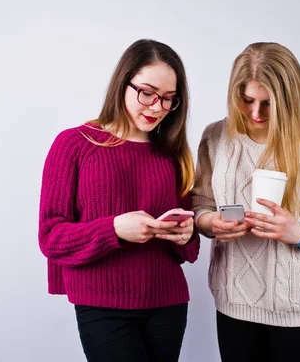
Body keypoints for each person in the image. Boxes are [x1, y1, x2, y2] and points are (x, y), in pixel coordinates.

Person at [39, 39, 200, 362]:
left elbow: (190, 248)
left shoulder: (172, 154)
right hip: (102, 307)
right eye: (147, 93)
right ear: (122, 83)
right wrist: (113, 229)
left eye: (168, 99)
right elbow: (50, 237)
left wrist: (185, 234)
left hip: (168, 303)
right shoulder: (74, 144)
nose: (156, 107)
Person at [191, 42, 300, 362]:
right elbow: (200, 204)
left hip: (298, 311)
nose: (255, 113)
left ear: (289, 100)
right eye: (247, 101)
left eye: (268, 104)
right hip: (233, 304)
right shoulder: (216, 137)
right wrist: (210, 224)